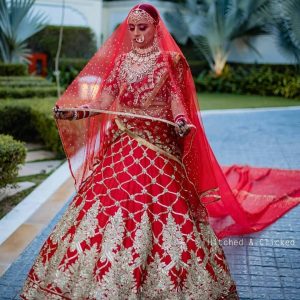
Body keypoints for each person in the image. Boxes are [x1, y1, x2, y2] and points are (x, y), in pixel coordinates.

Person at [20, 3, 300, 300]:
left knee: (168, 208)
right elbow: (103, 101)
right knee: (105, 204)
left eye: (143, 27)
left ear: (156, 28)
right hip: (124, 146)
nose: (137, 34)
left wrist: (180, 121)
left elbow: (177, 102)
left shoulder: (171, 61)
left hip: (159, 149)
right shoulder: (121, 62)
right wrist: (75, 113)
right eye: (132, 28)